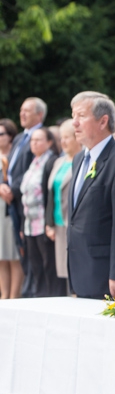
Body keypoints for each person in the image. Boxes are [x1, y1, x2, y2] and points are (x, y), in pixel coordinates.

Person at [64, 92, 115, 300]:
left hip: (104, 273)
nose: (74, 123)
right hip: (79, 267)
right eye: (73, 116)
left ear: (103, 121)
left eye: (81, 116)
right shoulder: (78, 159)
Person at [0, 97, 46, 297]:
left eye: (27, 110)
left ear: (39, 115)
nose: (22, 114)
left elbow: (31, 171)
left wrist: (12, 190)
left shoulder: (40, 137)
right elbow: (7, 169)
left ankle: (22, 295)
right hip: (10, 201)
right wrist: (3, 185)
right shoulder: (19, 138)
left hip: (25, 203)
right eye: (21, 110)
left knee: (22, 255)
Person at [20, 128, 59, 297]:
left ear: (49, 142)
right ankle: (39, 298)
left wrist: (49, 223)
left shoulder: (51, 162)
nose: (34, 143)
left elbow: (50, 195)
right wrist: (22, 225)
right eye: (32, 140)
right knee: (35, 266)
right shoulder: (33, 161)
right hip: (30, 224)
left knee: (48, 266)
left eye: (38, 140)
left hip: (44, 223)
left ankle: (50, 299)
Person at [45, 120, 80, 288]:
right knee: (64, 272)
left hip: (73, 225)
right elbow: (51, 194)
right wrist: (49, 223)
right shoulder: (58, 162)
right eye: (61, 138)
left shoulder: (82, 161)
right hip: (59, 224)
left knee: (75, 271)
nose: (63, 142)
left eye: (67, 137)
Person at [0, 119, 22, 299]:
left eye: (1, 134)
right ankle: (4, 296)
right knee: (1, 258)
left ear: (10, 136)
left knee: (13, 256)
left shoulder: (14, 156)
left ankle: (14, 297)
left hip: (10, 211)